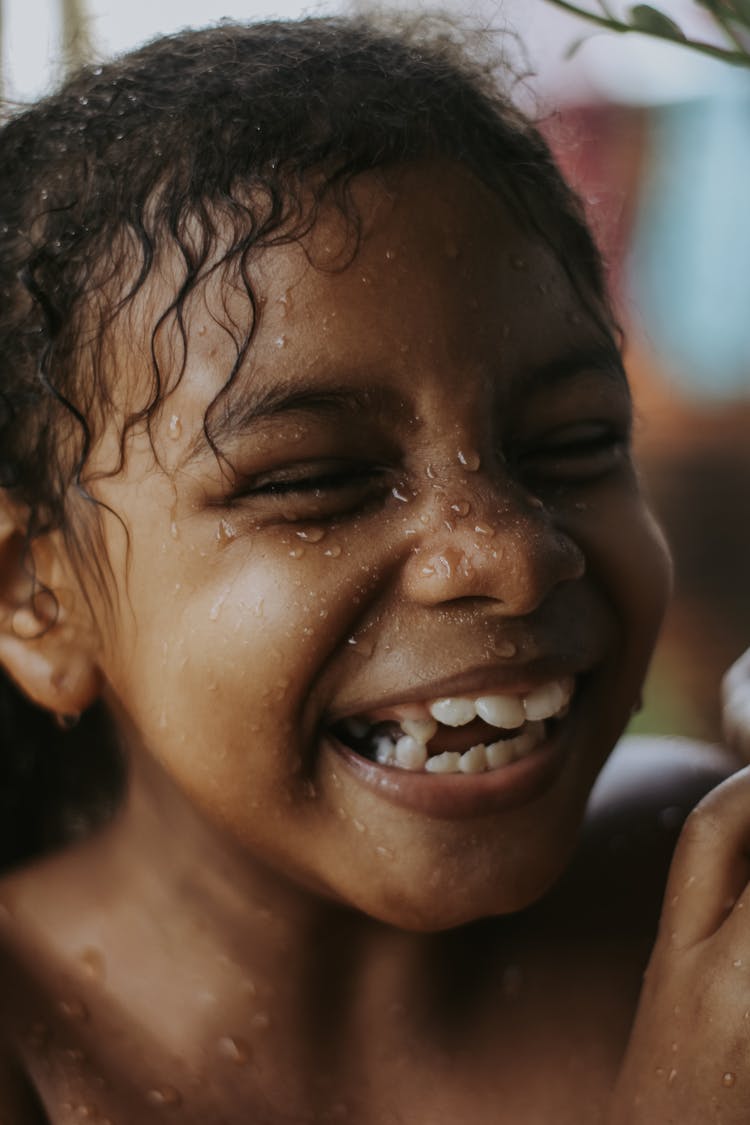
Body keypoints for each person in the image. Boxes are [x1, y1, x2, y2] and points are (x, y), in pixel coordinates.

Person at [0, 14, 739, 1123]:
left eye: (576, 443)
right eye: (315, 479)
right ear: (37, 598)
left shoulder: (701, 883)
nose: (512, 553)